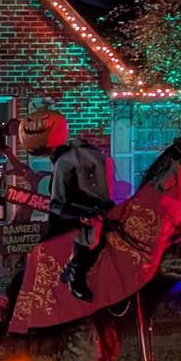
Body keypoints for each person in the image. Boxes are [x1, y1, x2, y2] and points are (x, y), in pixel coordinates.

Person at [47, 121, 112, 302]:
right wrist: (80, 216)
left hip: (99, 210)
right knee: (90, 238)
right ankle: (76, 270)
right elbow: (56, 205)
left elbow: (104, 192)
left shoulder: (98, 159)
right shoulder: (65, 163)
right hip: (74, 216)